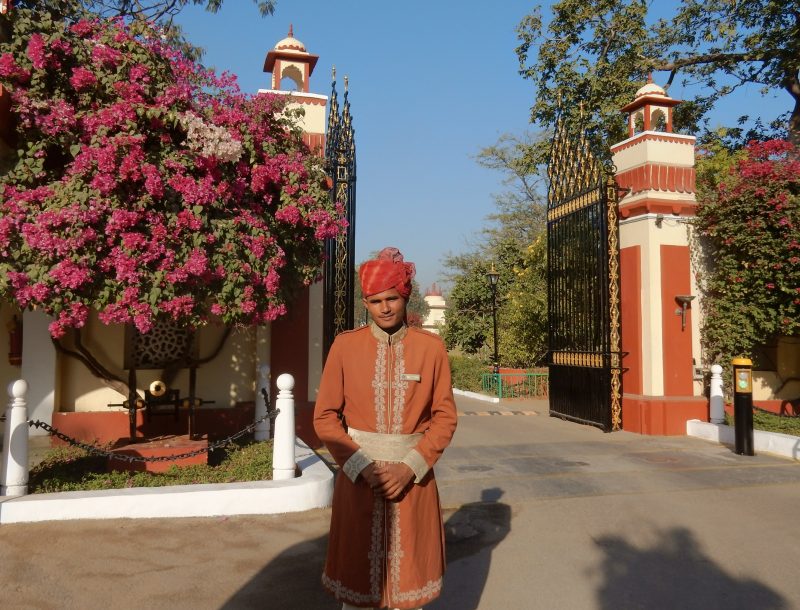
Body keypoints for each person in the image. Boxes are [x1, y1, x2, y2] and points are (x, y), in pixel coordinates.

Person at [314, 247, 458, 610]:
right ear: (365, 302)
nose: (385, 308)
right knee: (357, 590)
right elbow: (326, 417)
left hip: (414, 483)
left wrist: (410, 466)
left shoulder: (431, 349)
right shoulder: (345, 347)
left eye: (392, 298)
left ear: (404, 296)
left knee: (408, 587)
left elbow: (445, 418)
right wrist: (363, 467)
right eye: (375, 300)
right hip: (359, 479)